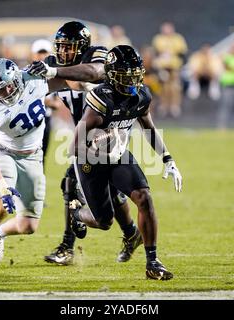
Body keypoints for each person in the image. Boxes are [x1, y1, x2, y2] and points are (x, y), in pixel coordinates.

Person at [0, 54, 114, 270]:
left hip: (33, 157)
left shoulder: (33, 80)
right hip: (6, 154)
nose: (5, 92)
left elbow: (68, 81)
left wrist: (88, 85)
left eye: (8, 86)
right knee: (1, 208)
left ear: (16, 78)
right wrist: (0, 183)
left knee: (28, 226)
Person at [70, 45, 183, 280]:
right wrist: (96, 143)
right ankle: (76, 213)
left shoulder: (141, 95)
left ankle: (153, 262)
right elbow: (74, 146)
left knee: (144, 196)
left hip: (118, 154)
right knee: (104, 221)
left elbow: (149, 128)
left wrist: (168, 159)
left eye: (135, 74)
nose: (132, 80)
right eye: (126, 75)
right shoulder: (102, 99)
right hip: (91, 162)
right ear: (112, 75)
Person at [43, 21, 143, 266]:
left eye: (69, 47)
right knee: (109, 192)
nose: (63, 53)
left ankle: (68, 245)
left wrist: (55, 73)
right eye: (61, 47)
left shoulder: (97, 55)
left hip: (110, 134)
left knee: (75, 183)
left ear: (82, 46)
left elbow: (94, 72)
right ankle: (131, 234)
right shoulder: (55, 65)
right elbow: (36, 87)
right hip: (86, 137)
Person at [152, 22, 187, 118]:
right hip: (162, 67)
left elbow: (182, 53)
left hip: (174, 66)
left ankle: (175, 106)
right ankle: (163, 105)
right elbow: (155, 53)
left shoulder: (178, 38)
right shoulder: (158, 39)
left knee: (175, 86)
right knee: (163, 87)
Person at [30, 39, 54, 170]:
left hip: (46, 119)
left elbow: (56, 104)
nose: (42, 56)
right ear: (33, 54)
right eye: (40, 53)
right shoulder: (26, 74)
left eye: (45, 53)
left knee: (42, 157)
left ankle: (38, 187)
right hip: (29, 120)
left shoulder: (54, 75)